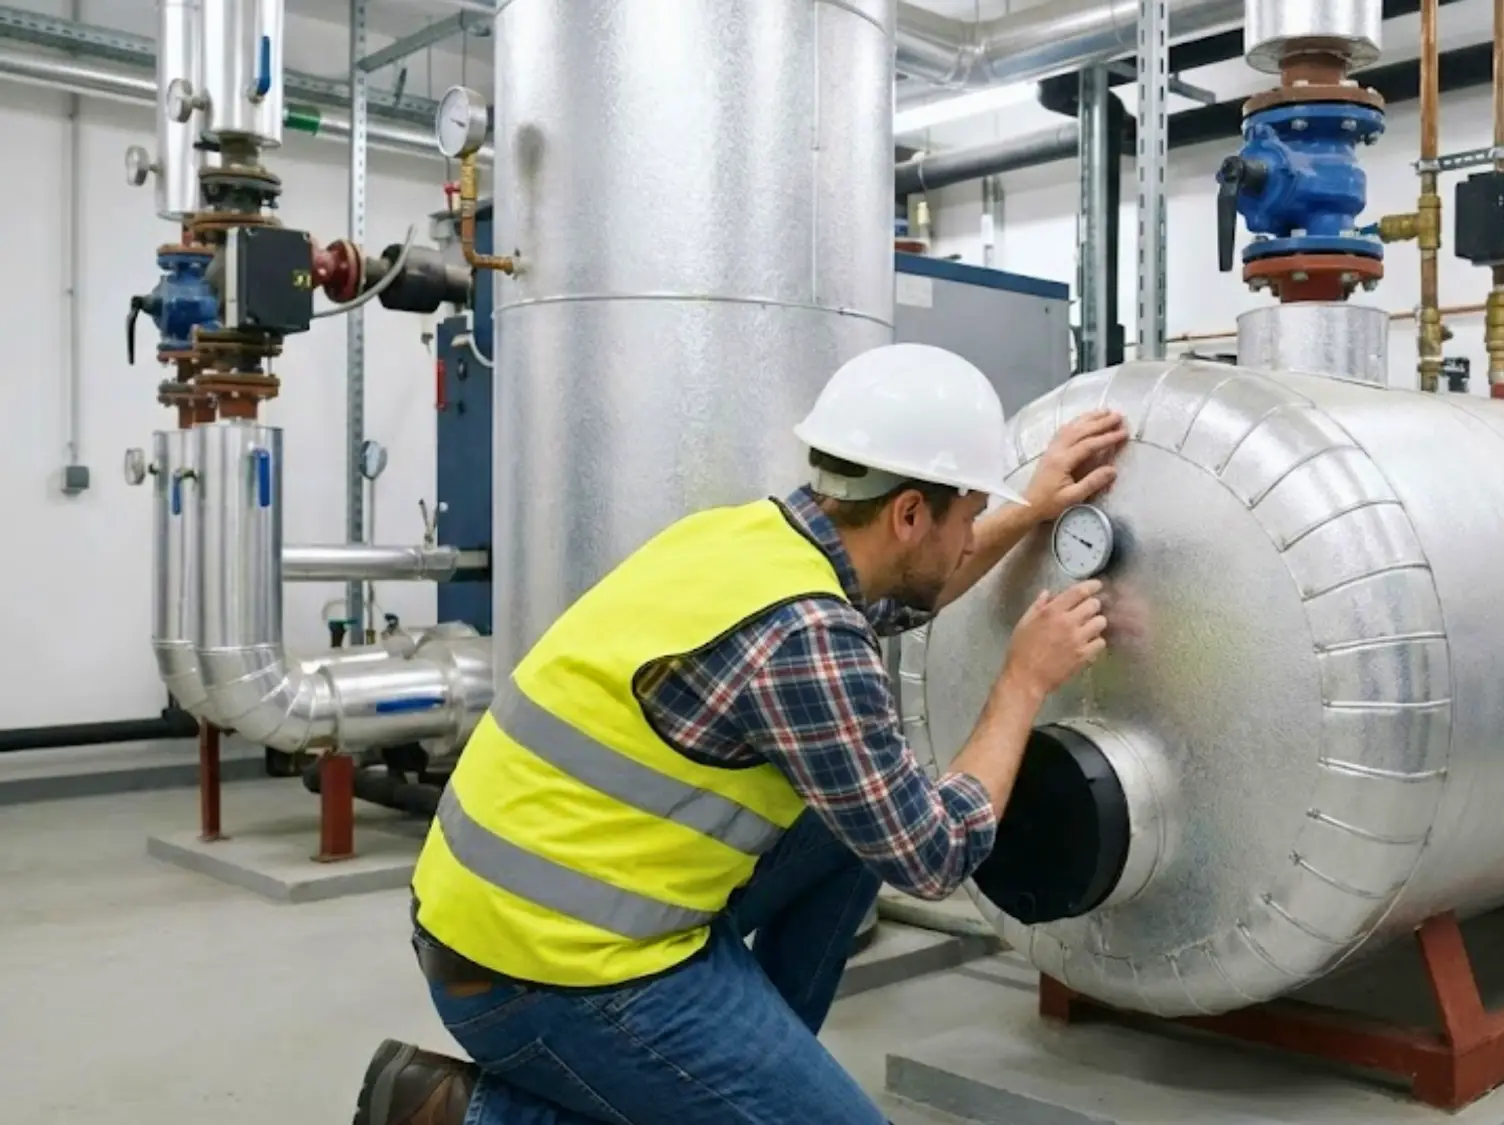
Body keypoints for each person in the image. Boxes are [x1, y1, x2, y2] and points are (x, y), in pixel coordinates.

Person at [352, 342, 1127, 1125]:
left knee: (852, 822)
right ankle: (466, 1114)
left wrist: (1028, 506)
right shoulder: (804, 634)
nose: (974, 536)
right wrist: (1024, 680)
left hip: (508, 915)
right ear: (908, 513)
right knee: (899, 825)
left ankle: (733, 1084)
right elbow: (934, 854)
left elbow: (902, 600)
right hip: (539, 970)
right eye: (969, 515)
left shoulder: (750, 537)